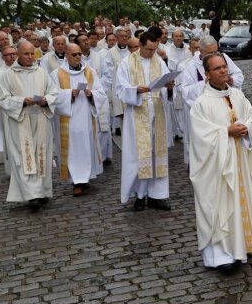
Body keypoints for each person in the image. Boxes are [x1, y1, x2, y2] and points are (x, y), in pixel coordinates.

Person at [189, 53, 252, 273]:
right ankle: (221, 256)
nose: (223, 71)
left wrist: (247, 129)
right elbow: (201, 139)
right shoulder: (201, 104)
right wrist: (226, 133)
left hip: (240, 162)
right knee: (220, 207)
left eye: (224, 67)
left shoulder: (239, 96)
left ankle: (242, 246)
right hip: (218, 170)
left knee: (240, 203)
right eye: (217, 68)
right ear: (207, 74)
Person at [0, 41, 58, 210]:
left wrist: (47, 100)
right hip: (20, 119)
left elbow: (54, 92)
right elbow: (2, 99)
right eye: (26, 54)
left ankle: (43, 191)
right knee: (24, 156)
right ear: (18, 55)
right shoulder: (8, 75)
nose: (30, 57)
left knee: (42, 154)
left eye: (32, 53)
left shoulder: (42, 72)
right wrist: (22, 101)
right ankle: (32, 195)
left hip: (40, 117)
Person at [116, 27, 172, 210]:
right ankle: (140, 195)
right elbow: (120, 89)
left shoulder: (159, 62)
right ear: (139, 45)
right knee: (140, 157)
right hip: (137, 114)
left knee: (157, 155)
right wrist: (136, 90)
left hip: (157, 112)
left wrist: (169, 87)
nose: (152, 53)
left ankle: (158, 195)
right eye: (149, 49)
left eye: (155, 49)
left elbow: (165, 85)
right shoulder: (127, 63)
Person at [53, 43, 106, 197]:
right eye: (74, 55)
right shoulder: (57, 73)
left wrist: (91, 94)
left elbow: (100, 92)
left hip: (87, 118)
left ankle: (86, 178)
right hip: (68, 119)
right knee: (73, 150)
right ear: (66, 56)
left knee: (86, 147)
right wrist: (69, 94)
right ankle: (77, 182)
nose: (77, 57)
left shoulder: (90, 72)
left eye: (79, 54)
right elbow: (53, 95)